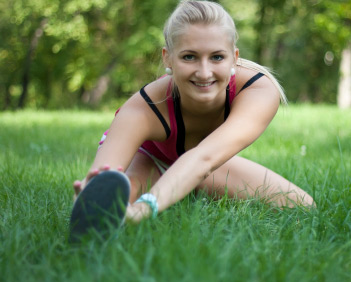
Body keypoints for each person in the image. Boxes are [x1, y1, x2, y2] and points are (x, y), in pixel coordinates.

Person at [69, 0, 314, 240]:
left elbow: (205, 158)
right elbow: (103, 178)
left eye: (217, 57)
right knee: (120, 200)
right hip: (147, 158)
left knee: (302, 207)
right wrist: (92, 197)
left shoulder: (257, 90)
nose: (204, 72)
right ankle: (165, 187)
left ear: (234, 57)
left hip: (205, 161)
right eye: (189, 57)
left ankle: (180, 189)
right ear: (168, 58)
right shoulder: (143, 108)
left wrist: (146, 208)